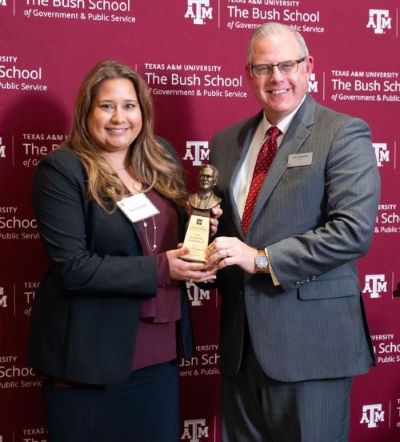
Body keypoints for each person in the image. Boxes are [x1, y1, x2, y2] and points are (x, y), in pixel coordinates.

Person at [206, 22, 380, 442]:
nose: (276, 78)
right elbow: (229, 234)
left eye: (287, 64)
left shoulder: (342, 132)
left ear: (309, 67)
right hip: (241, 348)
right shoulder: (226, 142)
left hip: (312, 348)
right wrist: (208, 237)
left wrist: (262, 259)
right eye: (263, 67)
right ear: (248, 75)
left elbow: (352, 231)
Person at [28, 60, 217, 442]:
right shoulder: (63, 170)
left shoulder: (160, 157)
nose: (120, 118)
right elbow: (74, 268)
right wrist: (163, 268)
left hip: (160, 358)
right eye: (106, 106)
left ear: (143, 112)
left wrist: (205, 230)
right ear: (87, 111)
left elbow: (172, 239)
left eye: (129, 106)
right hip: (90, 363)